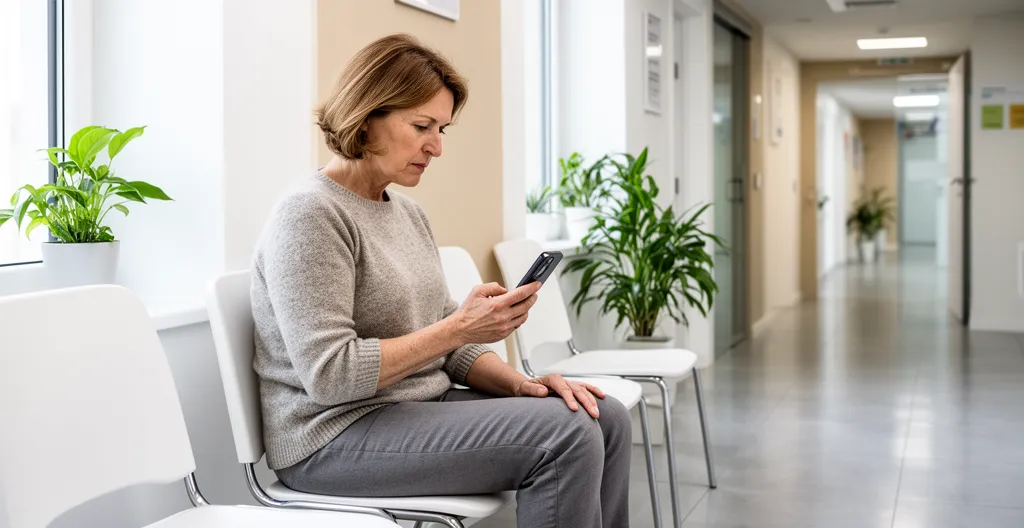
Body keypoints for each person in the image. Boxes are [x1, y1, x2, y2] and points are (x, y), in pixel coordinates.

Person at [250, 33, 631, 527]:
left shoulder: (408, 214)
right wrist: (459, 328)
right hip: (332, 436)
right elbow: (331, 376)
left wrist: (524, 386)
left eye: (442, 128)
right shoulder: (310, 215)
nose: (436, 146)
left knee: (606, 417)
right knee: (566, 435)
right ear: (366, 118)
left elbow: (448, 345)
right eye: (422, 125)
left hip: (414, 408)